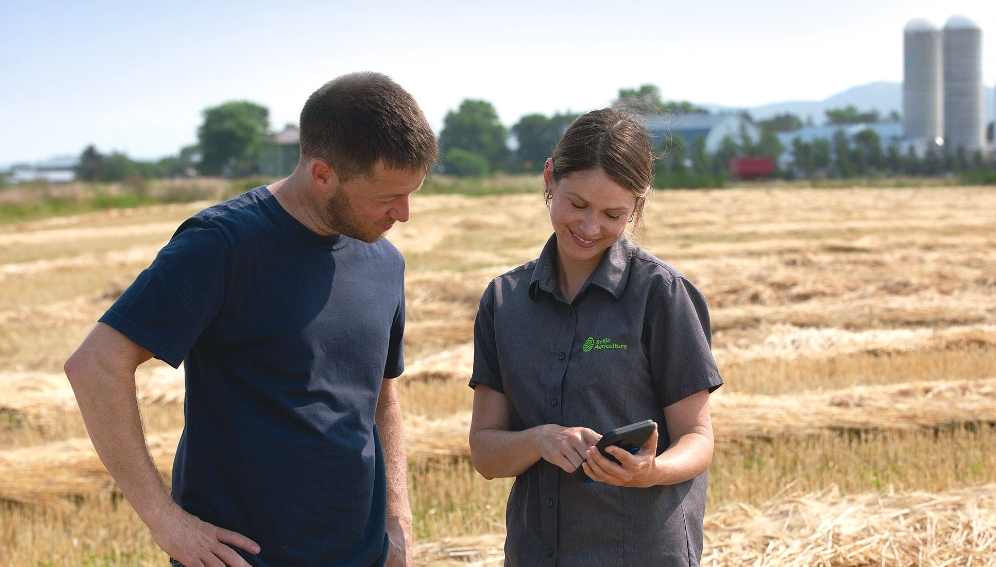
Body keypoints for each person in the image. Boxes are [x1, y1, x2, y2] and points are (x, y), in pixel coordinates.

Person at [65, 72, 438, 567]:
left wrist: (398, 520)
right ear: (323, 174)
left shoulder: (385, 261)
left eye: (412, 193)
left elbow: (381, 397)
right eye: (388, 196)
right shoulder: (221, 244)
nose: (405, 214)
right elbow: (96, 366)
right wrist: (166, 521)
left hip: (361, 555)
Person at [469, 109, 723, 566]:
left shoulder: (662, 295)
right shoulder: (504, 302)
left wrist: (651, 471)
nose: (590, 228)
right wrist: (539, 440)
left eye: (613, 214)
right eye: (577, 204)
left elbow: (698, 440)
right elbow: (486, 453)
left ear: (637, 207)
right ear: (550, 177)